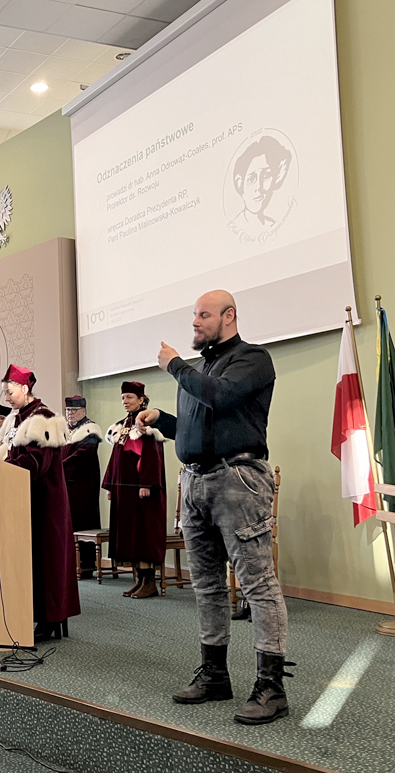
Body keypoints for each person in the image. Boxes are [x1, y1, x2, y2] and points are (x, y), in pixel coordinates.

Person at [137, 289, 287, 725]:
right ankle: (215, 674)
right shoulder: (200, 370)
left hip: (237, 481)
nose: (195, 322)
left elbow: (220, 397)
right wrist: (162, 420)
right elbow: (197, 427)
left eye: (204, 315)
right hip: (195, 481)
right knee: (206, 585)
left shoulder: (252, 359)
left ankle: (272, 687)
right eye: (194, 316)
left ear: (229, 316)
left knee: (257, 584)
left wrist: (174, 365)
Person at [0, 365, 80, 641]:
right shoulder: (21, 418)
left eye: (10, 393)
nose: (7, 398)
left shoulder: (42, 417)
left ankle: (50, 618)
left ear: (25, 389)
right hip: (27, 499)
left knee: (47, 560)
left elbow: (36, 462)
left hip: (46, 502)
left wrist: (4, 467)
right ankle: (31, 613)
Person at [103, 383, 169, 599]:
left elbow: (151, 455)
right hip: (125, 492)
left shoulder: (147, 423)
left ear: (142, 399)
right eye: (123, 397)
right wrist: (110, 485)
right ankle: (139, 580)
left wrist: (146, 484)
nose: (125, 401)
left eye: (130, 397)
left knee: (143, 534)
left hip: (142, 492)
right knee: (130, 535)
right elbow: (115, 458)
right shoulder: (123, 425)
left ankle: (150, 582)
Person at [61, 396, 102, 577]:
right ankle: (68, 565)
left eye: (74, 410)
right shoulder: (66, 431)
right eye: (68, 410)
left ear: (83, 411)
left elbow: (81, 458)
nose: (70, 413)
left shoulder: (90, 431)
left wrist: (57, 468)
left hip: (82, 489)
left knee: (82, 524)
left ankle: (85, 566)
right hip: (65, 487)